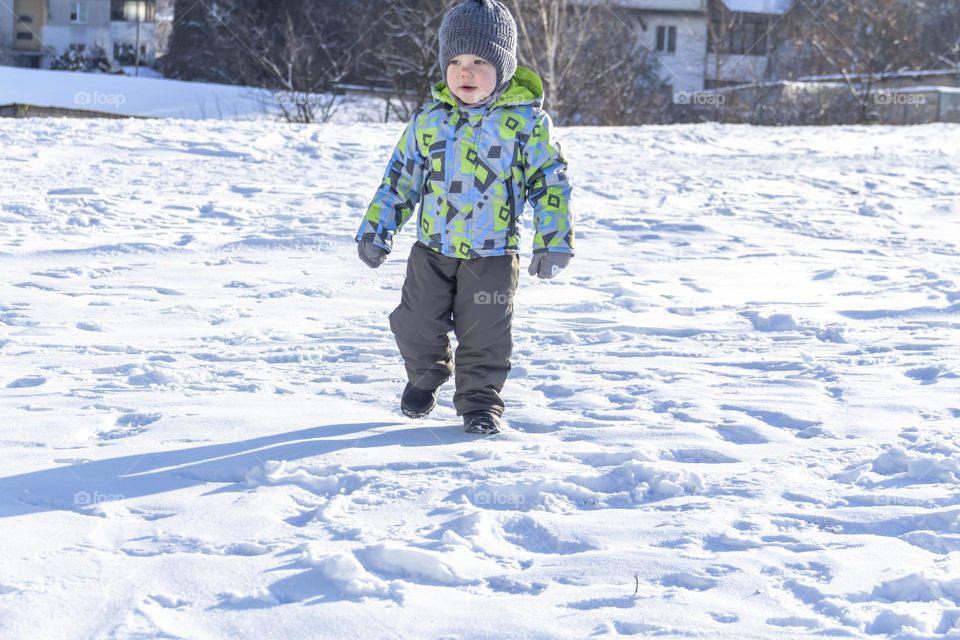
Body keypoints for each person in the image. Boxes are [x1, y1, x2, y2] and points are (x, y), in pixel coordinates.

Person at [355, 0, 576, 435]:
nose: (465, 72)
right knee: (414, 324)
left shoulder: (527, 125)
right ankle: (425, 374)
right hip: (431, 252)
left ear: (505, 67)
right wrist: (377, 230)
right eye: (454, 61)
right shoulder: (428, 122)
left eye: (479, 61)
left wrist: (553, 240)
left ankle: (479, 405)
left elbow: (550, 183)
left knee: (485, 336)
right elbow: (399, 179)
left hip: (493, 256)